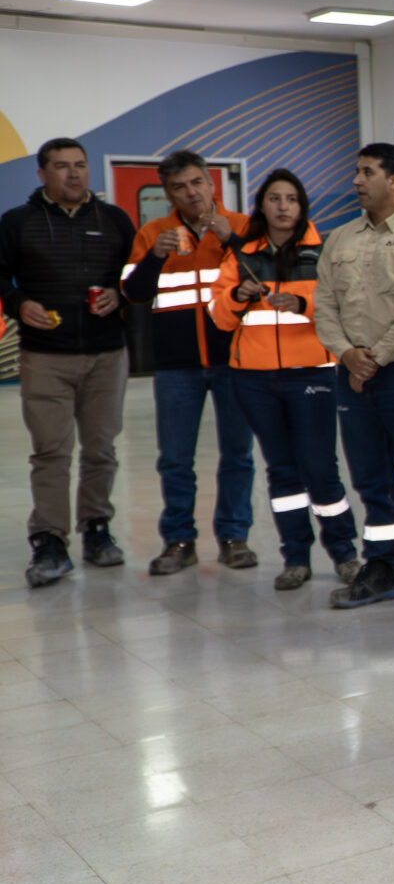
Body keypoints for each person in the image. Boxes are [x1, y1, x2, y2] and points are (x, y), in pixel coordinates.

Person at [208, 170, 361, 591]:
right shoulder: (242, 255)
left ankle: (344, 553)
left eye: (291, 199)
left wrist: (302, 303)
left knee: (319, 467)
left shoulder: (322, 250)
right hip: (253, 379)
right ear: (262, 205)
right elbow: (218, 317)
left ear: (302, 206)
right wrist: (236, 297)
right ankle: (295, 557)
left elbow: (344, 305)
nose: (283, 206)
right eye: (274, 198)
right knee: (281, 471)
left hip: (311, 373)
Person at [312, 142, 394, 611]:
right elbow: (324, 304)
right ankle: (383, 569)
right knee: (370, 477)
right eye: (357, 171)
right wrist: (348, 355)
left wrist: (377, 357)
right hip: (351, 373)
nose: (356, 180)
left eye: (366, 172)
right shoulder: (340, 238)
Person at [0, 138, 136, 586]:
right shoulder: (18, 222)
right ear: (42, 174)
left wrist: (120, 294)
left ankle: (96, 528)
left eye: (80, 165)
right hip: (44, 356)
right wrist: (19, 304)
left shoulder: (114, 220)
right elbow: (1, 277)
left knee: (101, 449)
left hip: (106, 354)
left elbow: (135, 276)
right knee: (51, 451)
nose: (74, 173)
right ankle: (50, 540)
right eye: (62, 166)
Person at [121, 149, 257, 574]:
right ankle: (179, 540)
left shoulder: (242, 226)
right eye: (179, 187)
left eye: (197, 182)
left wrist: (232, 241)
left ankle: (234, 536)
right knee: (175, 459)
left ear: (211, 184)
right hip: (176, 365)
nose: (191, 192)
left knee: (238, 454)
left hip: (235, 360)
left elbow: (265, 277)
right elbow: (133, 293)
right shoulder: (153, 233)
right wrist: (154, 257)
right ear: (168, 194)